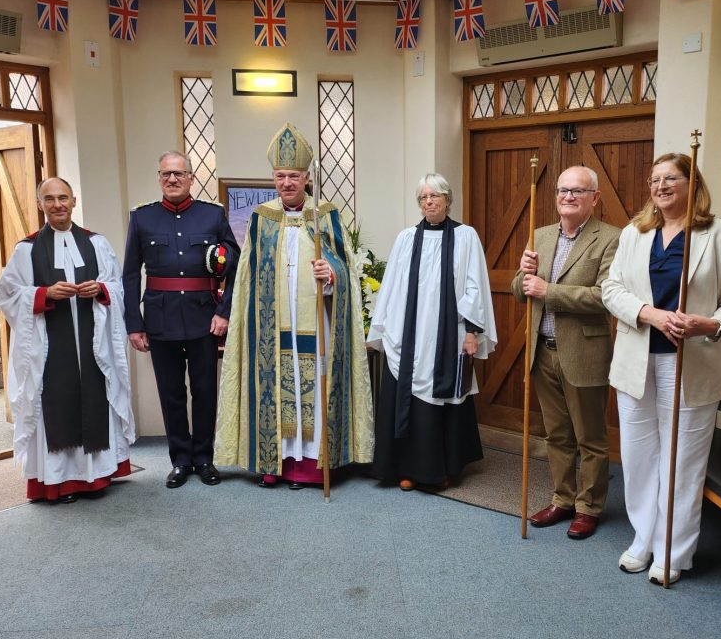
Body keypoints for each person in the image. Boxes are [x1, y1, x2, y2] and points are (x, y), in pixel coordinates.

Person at [601, 152, 721, 585]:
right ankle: (643, 538)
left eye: (671, 178)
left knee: (682, 460)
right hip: (637, 361)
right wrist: (647, 313)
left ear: (692, 182)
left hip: (692, 363)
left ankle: (673, 551)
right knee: (639, 456)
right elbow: (611, 288)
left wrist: (712, 324)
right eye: (654, 179)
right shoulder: (635, 233)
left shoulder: (720, 235)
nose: (660, 185)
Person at [214, 123, 373, 488]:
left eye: (295, 176)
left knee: (312, 390)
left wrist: (330, 273)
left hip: (316, 325)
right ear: (274, 177)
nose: (287, 182)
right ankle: (276, 463)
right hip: (271, 327)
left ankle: (310, 466)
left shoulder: (326, 215)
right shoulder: (261, 219)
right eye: (281, 176)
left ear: (306, 178)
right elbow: (246, 279)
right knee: (275, 389)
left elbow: (346, 270)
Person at [0, 177, 134, 503]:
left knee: (95, 397)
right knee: (55, 402)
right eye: (50, 199)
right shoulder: (26, 249)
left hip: (91, 346)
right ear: (40, 204)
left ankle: (97, 476)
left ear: (74, 201)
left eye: (63, 198)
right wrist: (44, 294)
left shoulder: (96, 243)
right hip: (50, 348)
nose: (57, 204)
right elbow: (8, 295)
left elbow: (117, 284)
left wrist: (100, 290)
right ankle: (60, 483)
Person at [367, 173, 497, 491]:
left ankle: (442, 468)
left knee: (443, 399)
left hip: (448, 335)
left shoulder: (466, 237)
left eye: (435, 196)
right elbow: (393, 287)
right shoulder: (406, 239)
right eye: (423, 197)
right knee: (409, 396)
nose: (428, 202)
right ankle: (407, 467)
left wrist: (472, 332)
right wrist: (382, 325)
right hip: (410, 332)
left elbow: (474, 286)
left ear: (447, 200)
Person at [511, 165, 620, 540]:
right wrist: (522, 276)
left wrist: (547, 291)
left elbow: (606, 297)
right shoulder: (539, 235)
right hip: (543, 351)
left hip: (584, 352)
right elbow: (520, 290)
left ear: (595, 197)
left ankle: (589, 506)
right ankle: (563, 498)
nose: (568, 197)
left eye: (577, 191)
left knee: (590, 437)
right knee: (556, 435)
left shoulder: (610, 239)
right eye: (562, 190)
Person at [122, 151, 239, 489]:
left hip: (204, 317)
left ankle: (204, 458)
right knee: (171, 392)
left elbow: (235, 267)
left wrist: (224, 312)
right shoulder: (142, 219)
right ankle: (181, 460)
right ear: (159, 178)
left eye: (179, 174)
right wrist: (134, 323)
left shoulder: (212, 216)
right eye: (165, 174)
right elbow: (130, 275)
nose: (172, 179)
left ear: (191, 178)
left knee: (204, 391)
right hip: (160, 318)